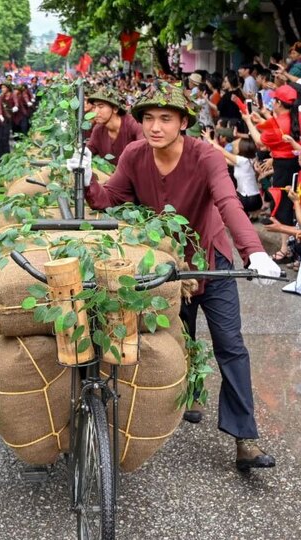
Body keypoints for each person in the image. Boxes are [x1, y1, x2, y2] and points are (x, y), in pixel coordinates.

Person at [68, 82, 281, 471]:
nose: (155, 127)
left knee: (230, 345)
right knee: (178, 338)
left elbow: (227, 201)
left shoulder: (205, 156)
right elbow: (108, 198)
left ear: (184, 122)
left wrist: (255, 252)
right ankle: (192, 392)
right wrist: (86, 179)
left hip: (209, 259)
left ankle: (244, 437)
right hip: (164, 265)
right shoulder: (134, 155)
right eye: (148, 118)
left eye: (166, 118)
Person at [243, 84, 301, 263]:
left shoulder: (282, 122)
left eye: (274, 100)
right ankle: (292, 249)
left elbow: (260, 142)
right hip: (292, 163)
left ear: (277, 103)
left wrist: (247, 121)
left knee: (283, 206)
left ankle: (285, 250)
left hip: (284, 167)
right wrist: (263, 116)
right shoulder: (296, 117)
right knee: (291, 205)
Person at [86, 86, 144, 165]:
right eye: (94, 107)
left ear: (115, 109)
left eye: (101, 106)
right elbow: (89, 149)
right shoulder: (98, 129)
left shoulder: (134, 125)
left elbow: (145, 151)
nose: (95, 112)